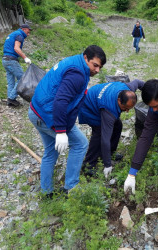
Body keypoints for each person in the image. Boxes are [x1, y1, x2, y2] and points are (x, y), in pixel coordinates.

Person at [28, 45, 106, 198]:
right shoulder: (77, 74)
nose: (97, 70)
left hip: (36, 110)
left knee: (51, 151)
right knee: (80, 144)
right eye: (95, 65)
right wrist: (61, 131)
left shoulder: (74, 62)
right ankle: (71, 187)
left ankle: (47, 192)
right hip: (47, 115)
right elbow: (61, 101)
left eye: (100, 67)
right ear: (85, 58)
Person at [78, 79, 144, 178]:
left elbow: (138, 82)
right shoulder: (109, 110)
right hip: (88, 107)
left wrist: (151, 92)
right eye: (125, 108)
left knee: (118, 125)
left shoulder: (128, 88)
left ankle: (110, 153)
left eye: (129, 109)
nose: (126, 111)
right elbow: (105, 139)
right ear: (119, 100)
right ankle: (88, 165)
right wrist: (107, 165)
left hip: (97, 98)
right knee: (99, 132)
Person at [2, 24, 32, 107]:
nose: (28, 34)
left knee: (11, 81)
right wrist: (25, 58)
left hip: (5, 59)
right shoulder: (19, 35)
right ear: (24, 29)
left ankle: (10, 101)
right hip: (11, 60)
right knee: (22, 78)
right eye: (28, 32)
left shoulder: (13, 34)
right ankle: (11, 98)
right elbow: (16, 48)